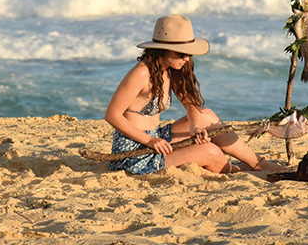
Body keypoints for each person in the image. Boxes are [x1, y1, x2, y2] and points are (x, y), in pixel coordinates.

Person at [104, 14, 286, 175]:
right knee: (211, 151)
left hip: (157, 137)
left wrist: (195, 128)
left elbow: (190, 103)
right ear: (162, 49)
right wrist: (150, 140)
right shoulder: (142, 73)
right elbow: (112, 115)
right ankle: (237, 171)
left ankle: (258, 164)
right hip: (135, 152)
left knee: (206, 115)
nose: (187, 58)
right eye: (181, 53)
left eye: (189, 53)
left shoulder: (170, 70)